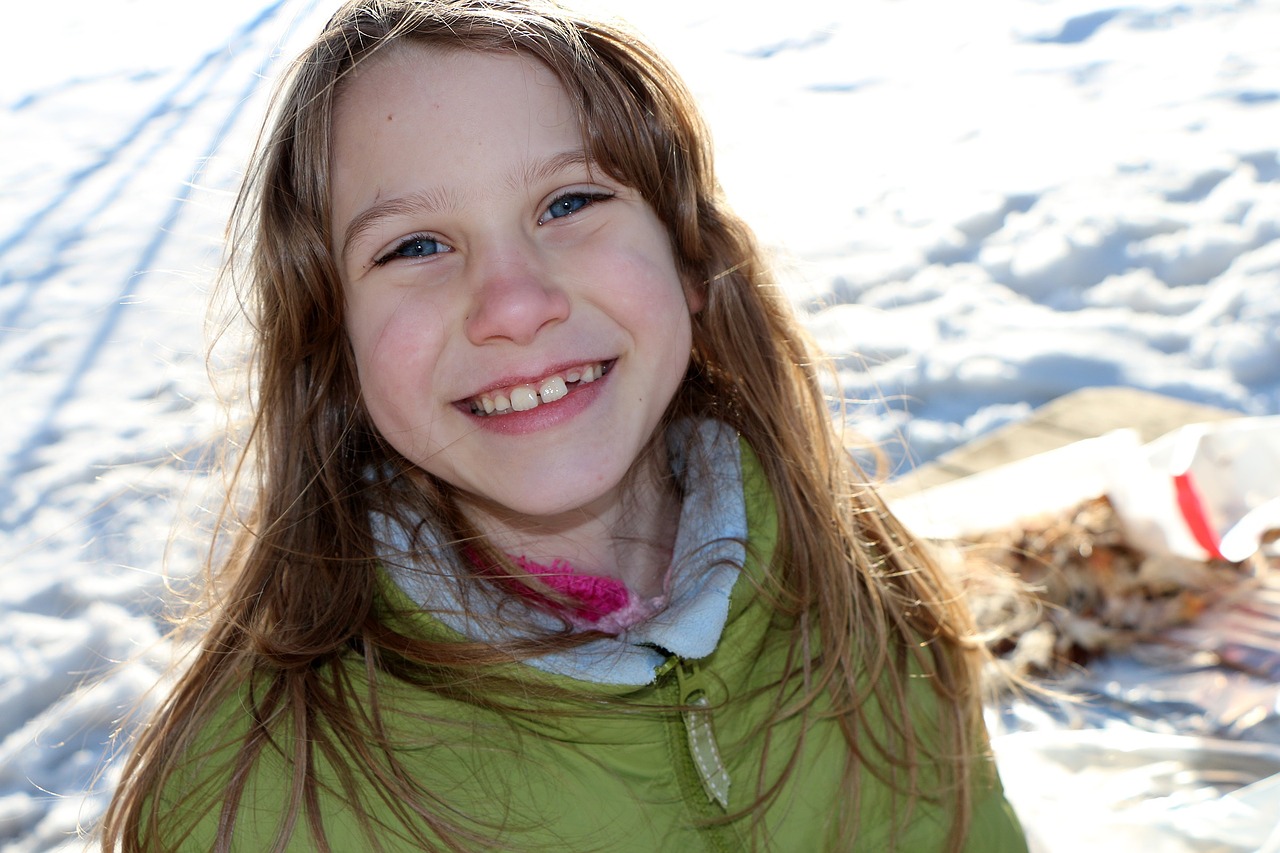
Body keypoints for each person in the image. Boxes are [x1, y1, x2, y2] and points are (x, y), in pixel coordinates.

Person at [101, 1, 1027, 849]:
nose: (514, 302)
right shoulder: (255, 802)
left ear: (690, 259)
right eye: (415, 245)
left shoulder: (864, 590)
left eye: (569, 202)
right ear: (332, 343)